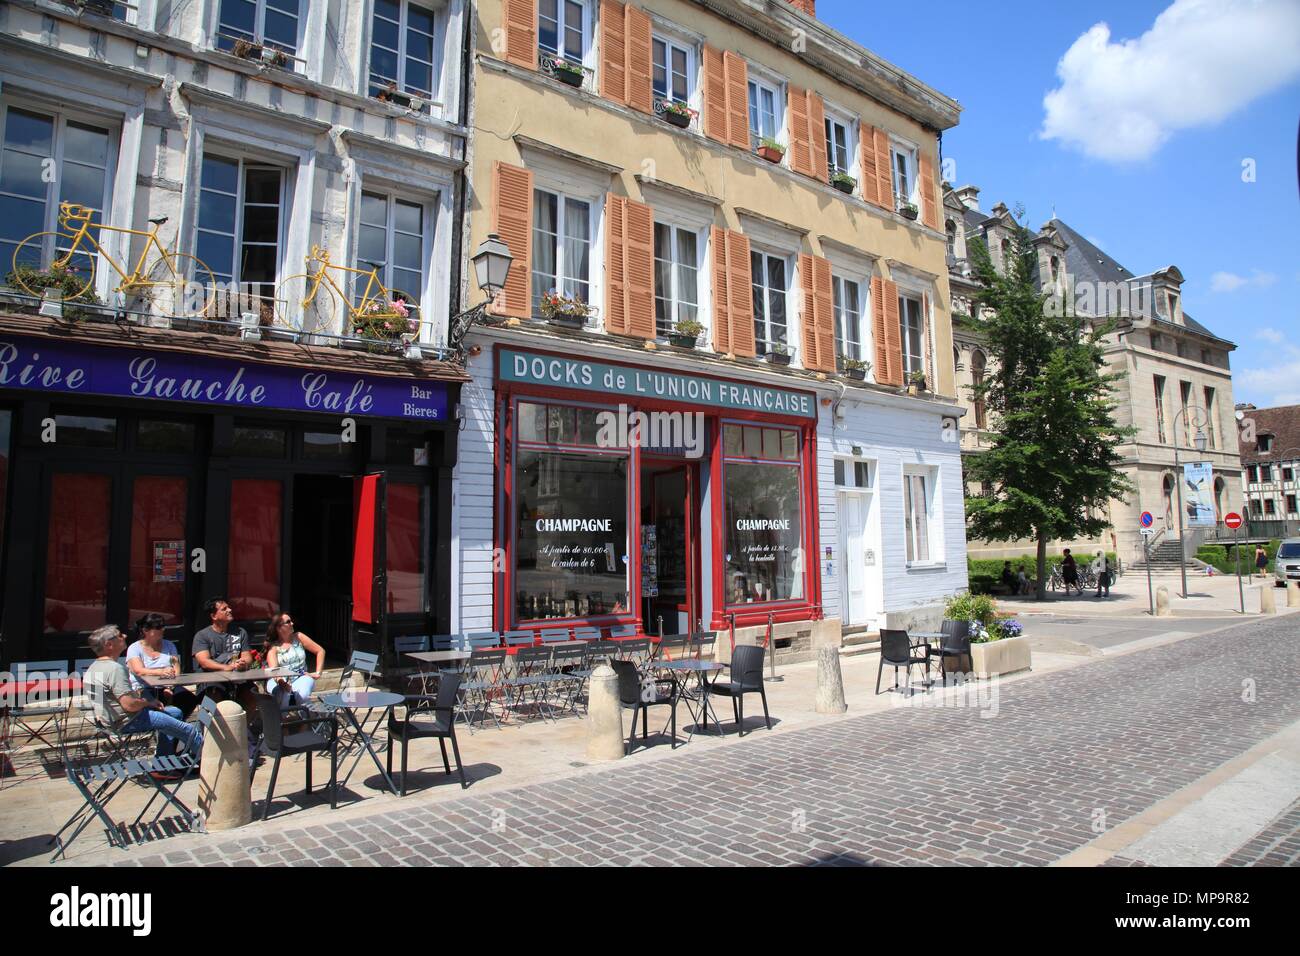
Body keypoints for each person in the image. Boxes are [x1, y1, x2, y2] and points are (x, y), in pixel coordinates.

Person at [82, 624, 201, 777]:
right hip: (129, 720)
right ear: (109, 645)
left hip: (110, 721)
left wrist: (147, 702)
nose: (124, 636)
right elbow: (129, 705)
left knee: (175, 712)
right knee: (190, 731)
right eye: (119, 635)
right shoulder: (114, 669)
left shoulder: (93, 667)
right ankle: (213, 767)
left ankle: (161, 766)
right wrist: (147, 703)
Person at [125, 612, 199, 718]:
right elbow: (138, 670)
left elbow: (176, 667)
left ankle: (175, 729)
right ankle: (168, 728)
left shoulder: (169, 645)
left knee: (189, 699)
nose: (163, 629)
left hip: (166, 686)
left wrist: (170, 686)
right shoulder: (135, 648)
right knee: (156, 706)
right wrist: (160, 671)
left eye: (163, 626)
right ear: (146, 630)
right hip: (143, 688)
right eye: (159, 627)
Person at [263, 612, 325, 709]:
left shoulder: (299, 637)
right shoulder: (274, 647)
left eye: (291, 621)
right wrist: (282, 683)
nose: (292, 623)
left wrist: (318, 673)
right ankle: (283, 722)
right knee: (281, 695)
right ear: (279, 628)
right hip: (280, 679)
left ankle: (304, 722)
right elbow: (274, 671)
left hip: (301, 676)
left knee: (303, 696)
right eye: (288, 622)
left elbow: (320, 651)